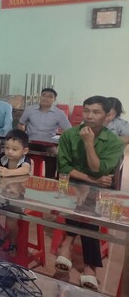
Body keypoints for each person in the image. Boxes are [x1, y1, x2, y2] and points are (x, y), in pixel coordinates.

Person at [55, 96, 124, 291]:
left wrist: (88, 143)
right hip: (74, 185)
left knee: (89, 208)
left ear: (108, 115)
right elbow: (64, 168)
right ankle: (90, 267)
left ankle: (67, 244)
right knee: (83, 205)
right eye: (86, 111)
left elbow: (99, 170)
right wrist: (91, 180)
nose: (89, 116)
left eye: (96, 112)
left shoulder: (114, 142)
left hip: (100, 192)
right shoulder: (69, 135)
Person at [18, 88, 72, 178]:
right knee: (17, 153)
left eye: (50, 96)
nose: (46, 98)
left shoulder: (59, 114)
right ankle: (18, 175)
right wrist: (22, 138)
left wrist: (62, 141)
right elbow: (21, 124)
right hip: (30, 142)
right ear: (40, 97)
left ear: (54, 99)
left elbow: (68, 130)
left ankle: (49, 179)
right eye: (43, 95)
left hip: (48, 144)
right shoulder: (30, 110)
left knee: (55, 157)